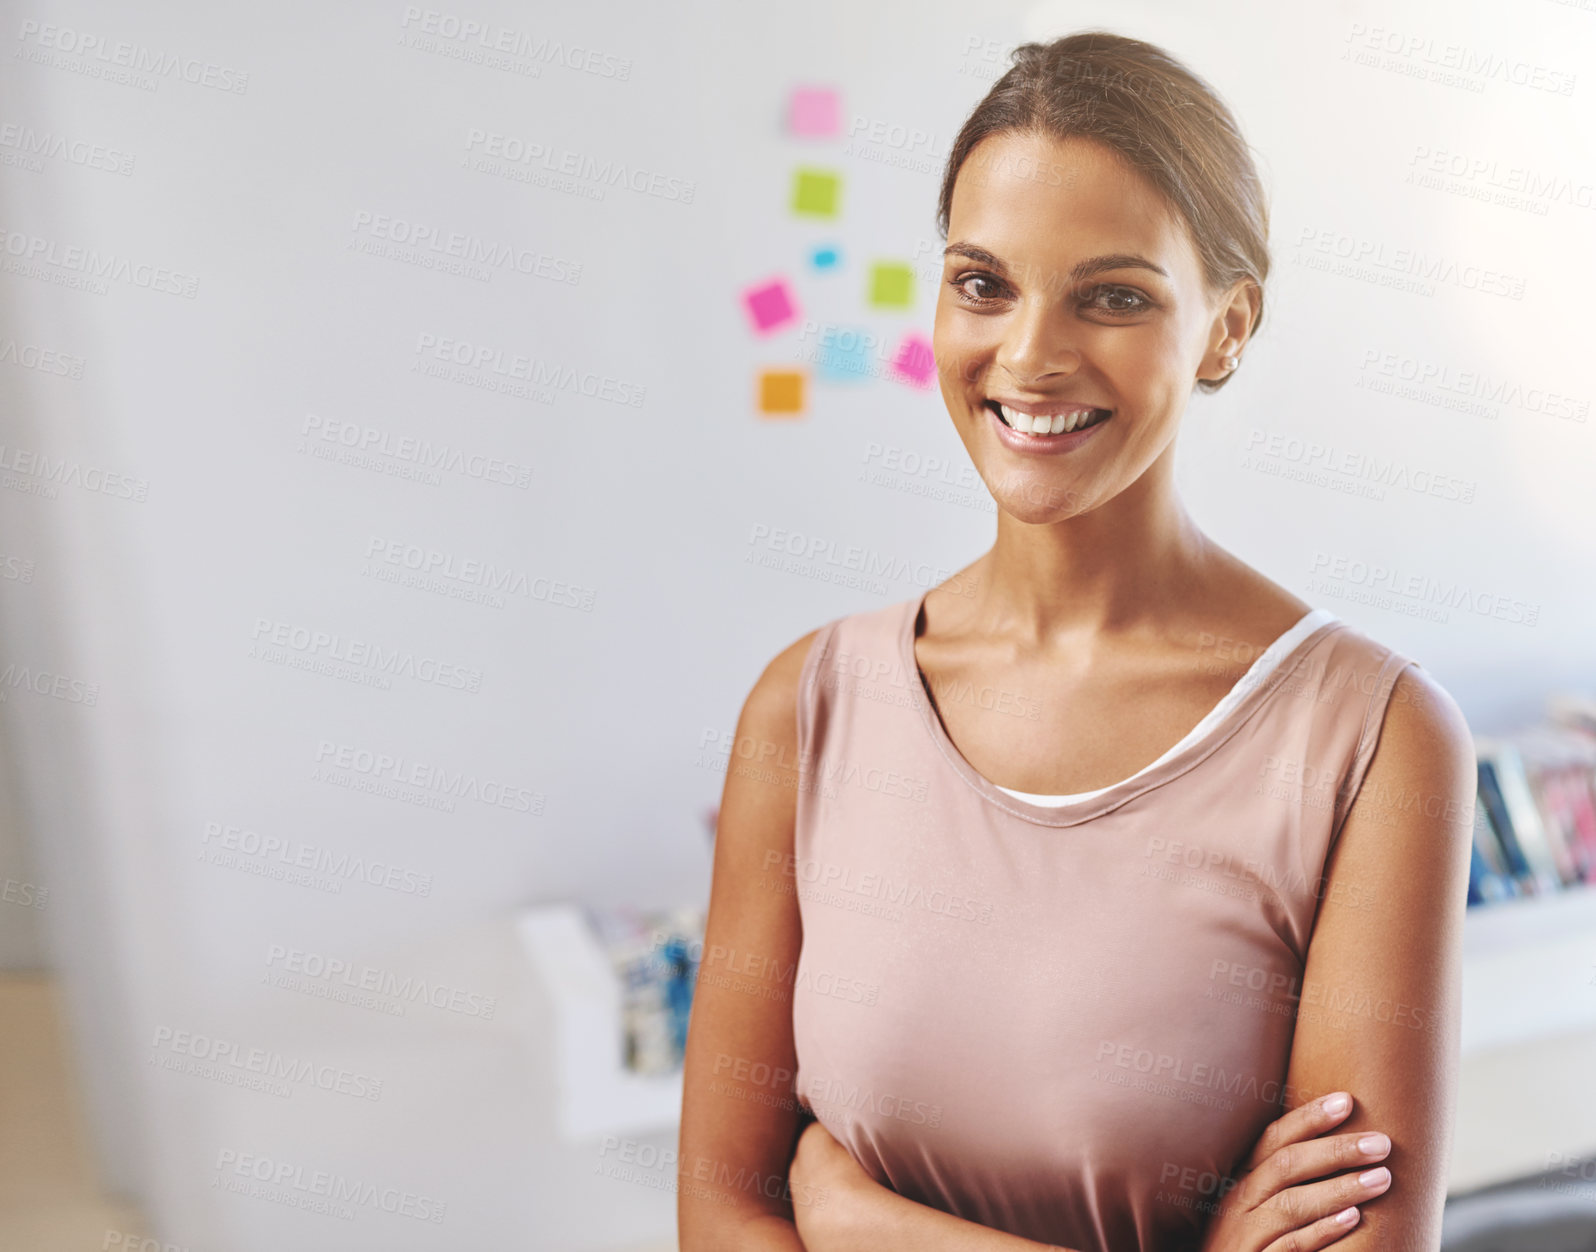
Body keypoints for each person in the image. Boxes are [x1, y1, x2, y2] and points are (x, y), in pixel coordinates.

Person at [679, 30, 1475, 1252]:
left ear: (1225, 327)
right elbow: (720, 1219)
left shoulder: (1370, 740)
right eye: (983, 283)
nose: (1031, 354)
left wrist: (858, 1221)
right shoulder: (809, 708)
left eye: (1113, 295)